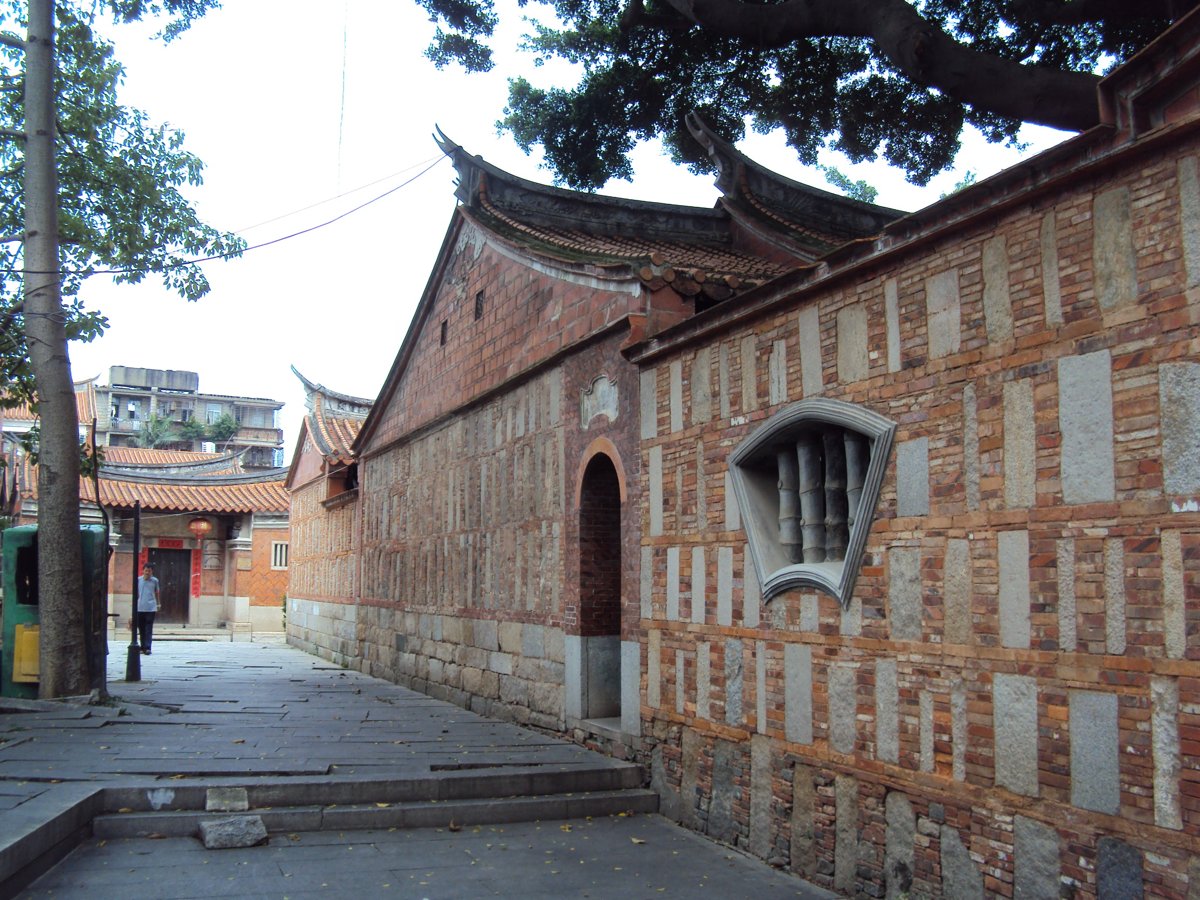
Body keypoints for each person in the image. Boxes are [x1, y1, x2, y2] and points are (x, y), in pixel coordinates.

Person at [136, 563, 160, 655]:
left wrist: (158, 604)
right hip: (140, 607)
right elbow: (136, 594)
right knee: (141, 628)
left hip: (151, 608)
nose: (147, 572)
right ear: (143, 571)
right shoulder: (138, 580)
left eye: (149, 571)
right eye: (146, 570)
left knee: (148, 628)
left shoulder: (155, 581)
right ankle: (142, 647)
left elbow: (157, 592)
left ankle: (148, 647)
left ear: (152, 572)